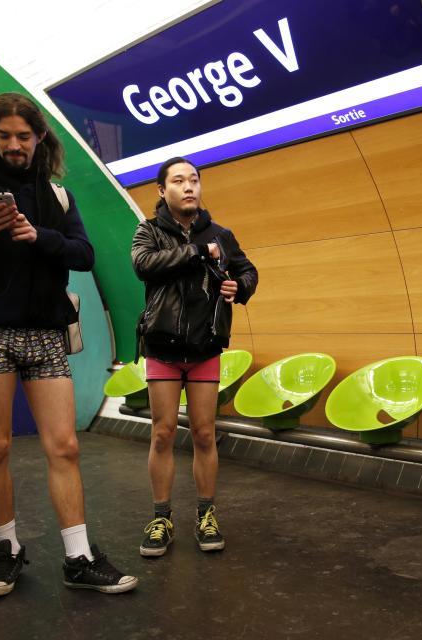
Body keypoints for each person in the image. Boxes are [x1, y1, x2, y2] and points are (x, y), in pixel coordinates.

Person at [0, 93, 137, 597]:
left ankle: (79, 557)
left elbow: (84, 255)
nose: (15, 145)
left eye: (24, 136)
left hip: (46, 335)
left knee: (64, 446)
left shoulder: (58, 197)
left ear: (40, 137)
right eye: (4, 136)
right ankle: (7, 550)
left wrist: (36, 235)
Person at [131, 157, 258, 557]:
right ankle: (161, 517)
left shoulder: (222, 233)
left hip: (205, 347)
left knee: (205, 433)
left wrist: (242, 286)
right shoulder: (148, 231)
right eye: (179, 181)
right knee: (163, 432)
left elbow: (248, 270)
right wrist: (197, 252)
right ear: (162, 190)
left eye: (194, 180)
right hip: (163, 349)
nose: (189, 187)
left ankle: (206, 514)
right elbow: (144, 265)